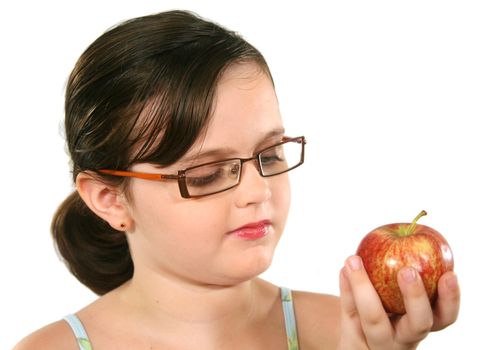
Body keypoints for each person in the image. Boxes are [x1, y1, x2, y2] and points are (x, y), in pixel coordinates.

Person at [14, 10, 460, 350]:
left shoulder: (345, 333)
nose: (257, 191)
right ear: (110, 199)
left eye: (269, 153)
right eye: (207, 174)